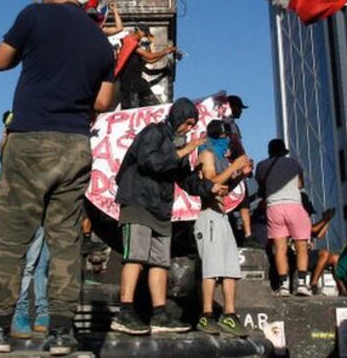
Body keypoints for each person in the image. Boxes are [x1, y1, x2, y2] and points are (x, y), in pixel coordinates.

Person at [0, 0, 116, 355]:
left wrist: (30, 34)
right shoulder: (100, 40)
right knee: (66, 239)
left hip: (31, 139)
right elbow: (104, 100)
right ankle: (62, 332)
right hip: (74, 145)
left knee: (13, 238)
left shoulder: (34, 15)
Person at [110, 98, 226, 336]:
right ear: (177, 117)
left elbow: (186, 180)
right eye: (187, 122)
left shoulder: (179, 145)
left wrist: (209, 188)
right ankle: (124, 311)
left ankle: (159, 313)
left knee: (160, 262)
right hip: (138, 201)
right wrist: (184, 150)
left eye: (192, 125)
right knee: (136, 257)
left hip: (161, 209)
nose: (188, 128)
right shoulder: (154, 132)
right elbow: (149, 161)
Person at [194, 119, 253, 336]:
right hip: (208, 216)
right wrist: (235, 167)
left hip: (222, 216)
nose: (228, 140)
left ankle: (229, 314)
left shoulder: (220, 158)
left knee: (230, 268)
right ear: (217, 136)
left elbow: (224, 188)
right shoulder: (207, 154)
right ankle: (206, 314)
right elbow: (210, 183)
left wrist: (240, 174)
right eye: (225, 136)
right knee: (211, 267)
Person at [254, 138, 311, 296]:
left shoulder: (261, 166)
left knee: (279, 248)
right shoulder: (294, 163)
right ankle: (301, 284)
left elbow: (261, 187)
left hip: (274, 207)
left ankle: (283, 285)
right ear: (283, 151)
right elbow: (300, 185)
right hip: (294, 205)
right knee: (301, 247)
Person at [224, 95, 258, 248]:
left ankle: (245, 233)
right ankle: (247, 234)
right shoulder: (227, 123)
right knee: (240, 200)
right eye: (239, 108)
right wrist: (244, 161)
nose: (241, 112)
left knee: (240, 200)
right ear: (232, 107)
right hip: (231, 167)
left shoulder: (229, 123)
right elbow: (236, 144)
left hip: (233, 166)